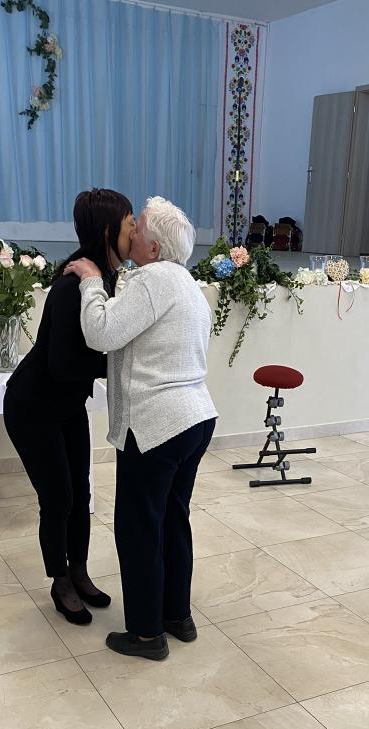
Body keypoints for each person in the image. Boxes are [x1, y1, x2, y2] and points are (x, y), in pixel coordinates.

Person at [65, 196, 217, 660]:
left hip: (157, 425)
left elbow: (102, 333)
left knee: (138, 528)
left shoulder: (154, 279)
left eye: (139, 227)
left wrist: (91, 281)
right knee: (172, 519)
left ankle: (148, 635)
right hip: (195, 417)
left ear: (153, 247)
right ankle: (177, 616)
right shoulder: (186, 282)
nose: (131, 232)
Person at [3, 188, 135, 625]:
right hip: (33, 406)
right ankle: (59, 581)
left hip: (68, 404)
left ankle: (79, 571)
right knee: (58, 496)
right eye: (130, 224)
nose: (135, 231)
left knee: (81, 492)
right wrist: (117, 361)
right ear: (108, 231)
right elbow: (62, 364)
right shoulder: (70, 285)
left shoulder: (107, 278)